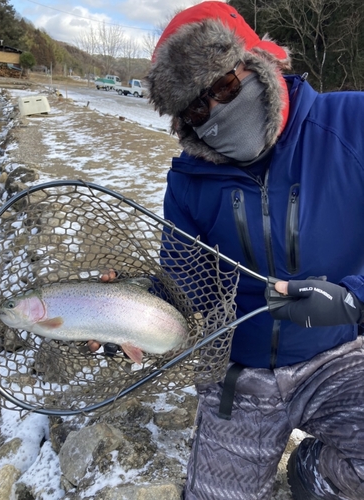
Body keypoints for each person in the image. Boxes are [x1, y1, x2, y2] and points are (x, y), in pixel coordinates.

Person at [146, 2, 364, 499]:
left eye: (224, 86)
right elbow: (187, 288)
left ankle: (313, 471)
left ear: (259, 62)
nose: (216, 111)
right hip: (238, 377)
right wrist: (125, 315)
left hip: (337, 358)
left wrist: (354, 298)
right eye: (196, 108)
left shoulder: (353, 124)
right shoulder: (188, 181)